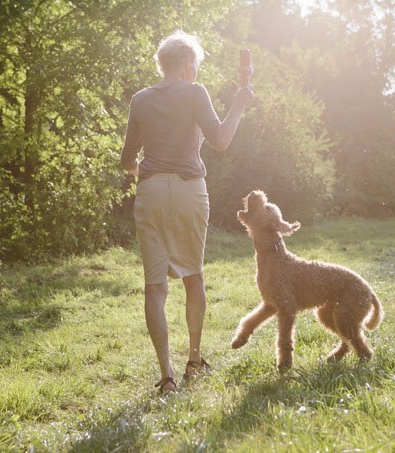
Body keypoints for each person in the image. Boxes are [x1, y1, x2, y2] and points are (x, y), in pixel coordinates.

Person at [120, 30, 254, 394]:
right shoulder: (195, 93)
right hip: (189, 191)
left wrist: (148, 175)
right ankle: (194, 360)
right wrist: (240, 102)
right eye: (196, 63)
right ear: (187, 62)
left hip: (149, 191)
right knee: (193, 276)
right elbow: (222, 139)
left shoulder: (140, 100)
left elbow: (127, 159)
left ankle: (166, 376)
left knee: (155, 284)